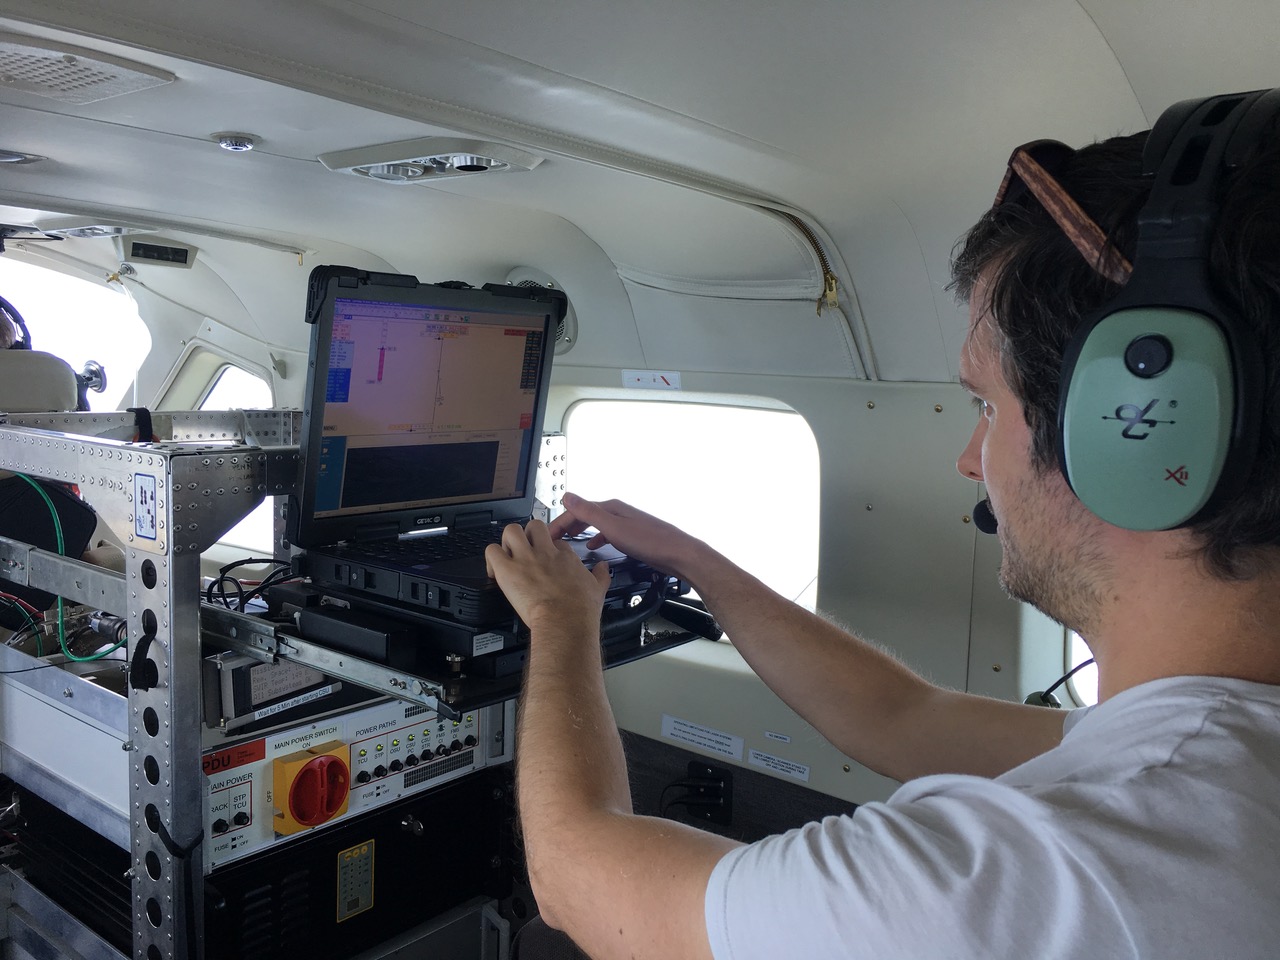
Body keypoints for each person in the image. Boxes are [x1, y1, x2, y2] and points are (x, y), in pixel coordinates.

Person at [484, 93, 1280, 960]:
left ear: (1139, 424)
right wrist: (690, 555)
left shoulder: (1023, 877)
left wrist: (561, 623)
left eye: (986, 403)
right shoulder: (1224, 749)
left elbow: (574, 880)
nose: (972, 459)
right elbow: (902, 716)